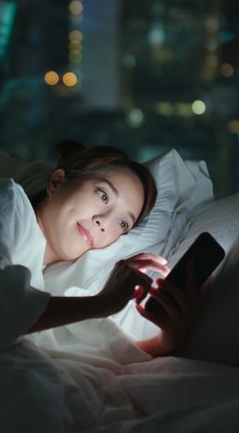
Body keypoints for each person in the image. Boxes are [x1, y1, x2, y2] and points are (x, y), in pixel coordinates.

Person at [26, 140, 200, 357]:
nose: (104, 222)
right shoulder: (4, 210)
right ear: (57, 182)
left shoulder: (38, 281)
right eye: (103, 196)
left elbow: (70, 356)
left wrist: (166, 342)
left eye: (122, 223)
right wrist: (104, 302)